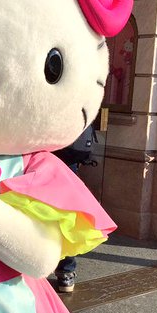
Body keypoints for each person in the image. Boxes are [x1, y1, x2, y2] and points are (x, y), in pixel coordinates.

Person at [53, 123, 97, 292]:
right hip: (67, 157)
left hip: (40, 155)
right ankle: (66, 272)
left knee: (36, 211)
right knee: (66, 214)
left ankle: (32, 266)